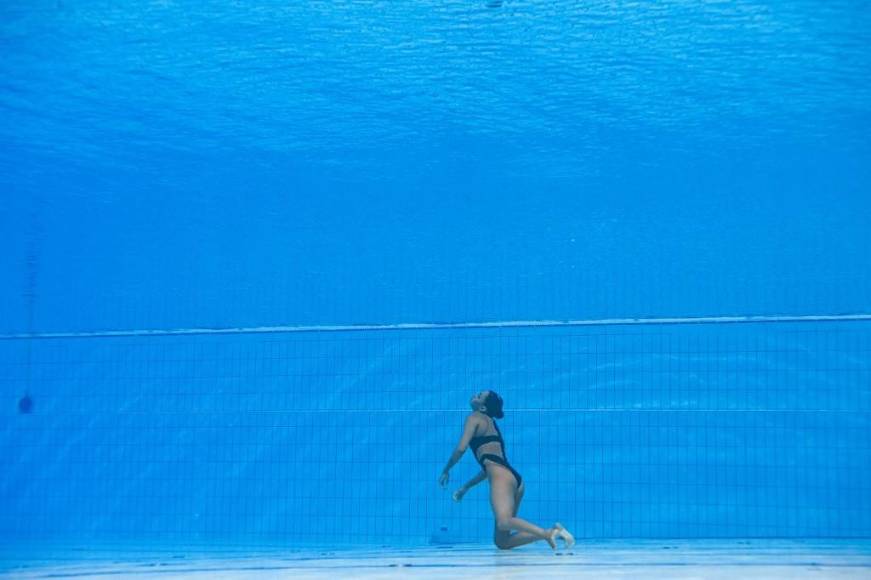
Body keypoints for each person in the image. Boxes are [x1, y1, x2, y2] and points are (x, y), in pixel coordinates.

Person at [439, 390, 575, 550]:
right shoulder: (491, 425)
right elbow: (490, 467)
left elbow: (461, 448)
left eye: (479, 396)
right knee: (502, 542)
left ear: (482, 408)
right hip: (514, 479)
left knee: (504, 522)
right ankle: (551, 532)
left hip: (502, 477)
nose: (475, 395)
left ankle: (548, 533)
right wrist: (465, 487)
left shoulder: (474, 417)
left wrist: (446, 469)